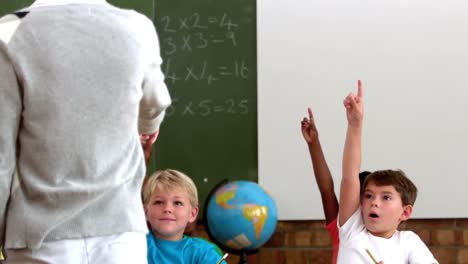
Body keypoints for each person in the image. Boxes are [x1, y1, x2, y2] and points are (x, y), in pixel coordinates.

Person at [0, 0, 171, 262]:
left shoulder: (9, 29)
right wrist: (147, 129)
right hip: (121, 236)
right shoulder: (137, 26)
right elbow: (155, 103)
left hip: (39, 239)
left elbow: (2, 156)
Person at [337, 81, 438, 263]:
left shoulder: (409, 242)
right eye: (368, 196)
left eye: (386, 197)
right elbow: (350, 176)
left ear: (405, 213)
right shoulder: (353, 230)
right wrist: (355, 125)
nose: (374, 202)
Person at [301, 107, 371, 264]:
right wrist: (314, 144)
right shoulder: (343, 229)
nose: (373, 203)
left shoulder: (396, 239)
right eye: (365, 196)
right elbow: (327, 189)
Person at [142, 169, 227, 264]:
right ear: (145, 212)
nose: (167, 209)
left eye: (177, 203)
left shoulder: (203, 253)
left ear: (193, 214)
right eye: (159, 202)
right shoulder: (135, 245)